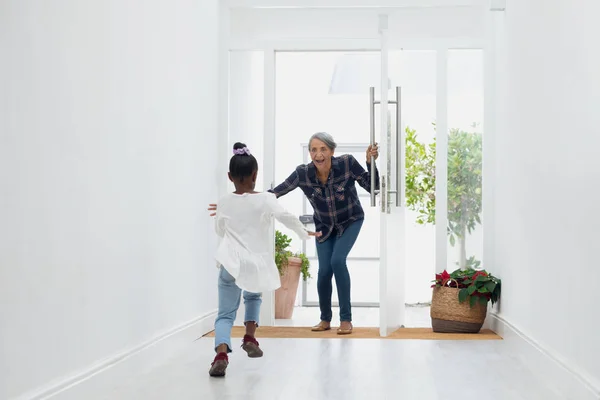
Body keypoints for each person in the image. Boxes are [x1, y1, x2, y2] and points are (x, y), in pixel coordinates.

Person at [209, 133, 379, 335]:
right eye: (314, 150)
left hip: (350, 220)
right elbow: (274, 194)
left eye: (323, 149)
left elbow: (374, 187)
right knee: (324, 270)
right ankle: (325, 319)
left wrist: (370, 163)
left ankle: (345, 319)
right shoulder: (303, 173)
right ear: (310, 153)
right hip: (324, 226)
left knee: (337, 261)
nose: (318, 154)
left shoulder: (347, 163)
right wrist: (233, 203)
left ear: (332, 151)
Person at [208, 142, 321, 377]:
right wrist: (303, 232)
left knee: (225, 314)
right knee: (253, 296)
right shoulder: (266, 199)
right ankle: (250, 336)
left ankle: (220, 353)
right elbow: (285, 216)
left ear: (230, 177)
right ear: (255, 175)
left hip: (230, 261)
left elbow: (219, 230)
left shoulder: (224, 201)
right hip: (255, 263)